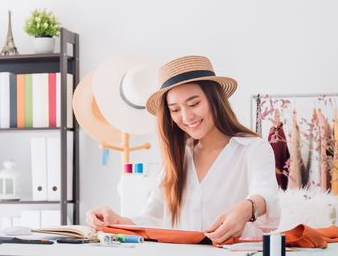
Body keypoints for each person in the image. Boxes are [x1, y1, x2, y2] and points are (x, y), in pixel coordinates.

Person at [86, 55, 280, 243]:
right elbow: (152, 218)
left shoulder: (253, 149)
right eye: (175, 110)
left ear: (214, 100)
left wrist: (247, 208)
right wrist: (115, 220)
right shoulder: (178, 158)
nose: (187, 117)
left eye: (194, 104)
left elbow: (266, 194)